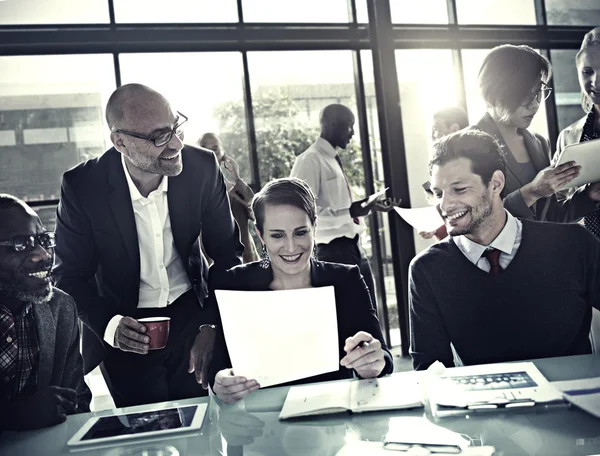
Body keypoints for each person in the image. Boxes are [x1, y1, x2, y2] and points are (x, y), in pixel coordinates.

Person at [53, 84, 243, 407]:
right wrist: (109, 325)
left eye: (175, 127)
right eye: (159, 137)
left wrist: (213, 322)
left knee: (200, 428)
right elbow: (69, 277)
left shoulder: (203, 169)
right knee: (145, 438)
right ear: (120, 142)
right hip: (124, 326)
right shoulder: (83, 187)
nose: (176, 143)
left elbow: (228, 255)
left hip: (193, 319)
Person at [409, 130, 600, 371]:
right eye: (438, 193)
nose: (444, 205)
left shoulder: (574, 244)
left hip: (575, 400)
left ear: (496, 184)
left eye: (459, 189)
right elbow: (430, 369)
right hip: (484, 405)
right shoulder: (427, 270)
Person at [208, 178, 393, 404]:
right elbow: (218, 366)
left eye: (300, 233)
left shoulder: (346, 279)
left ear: (314, 227)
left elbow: (381, 354)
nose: (292, 247)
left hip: (332, 418)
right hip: (260, 423)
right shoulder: (235, 284)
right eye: (277, 235)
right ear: (260, 235)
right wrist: (220, 382)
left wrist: (374, 362)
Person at [474, 44, 600, 222]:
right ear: (496, 91)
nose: (535, 104)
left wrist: (588, 196)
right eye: (525, 95)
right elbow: (475, 221)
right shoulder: (465, 144)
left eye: (538, 92)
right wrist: (531, 192)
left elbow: (550, 218)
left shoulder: (539, 143)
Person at [0, 195, 91, 430]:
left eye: (43, 240)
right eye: (21, 244)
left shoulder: (60, 308)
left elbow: (77, 404)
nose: (43, 254)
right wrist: (13, 417)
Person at [290, 104, 393, 309]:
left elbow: (337, 207)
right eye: (349, 126)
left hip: (353, 248)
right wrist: (351, 211)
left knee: (368, 314)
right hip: (331, 252)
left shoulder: (332, 159)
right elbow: (301, 215)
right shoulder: (310, 161)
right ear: (330, 125)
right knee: (348, 320)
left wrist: (367, 207)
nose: (353, 133)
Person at [556, 27, 600, 239]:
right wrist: (587, 196)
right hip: (587, 256)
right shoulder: (568, 137)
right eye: (587, 71)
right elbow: (558, 209)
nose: (596, 82)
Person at [199, 133, 259, 263]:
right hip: (210, 271)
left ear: (223, 156)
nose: (210, 154)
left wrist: (237, 179)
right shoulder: (192, 194)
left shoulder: (236, 191)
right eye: (204, 148)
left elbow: (258, 215)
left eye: (215, 149)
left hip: (245, 266)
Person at [420, 106, 469, 241]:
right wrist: (432, 227)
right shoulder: (439, 165)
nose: (432, 136)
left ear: (453, 129)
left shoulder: (472, 164)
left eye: (436, 129)